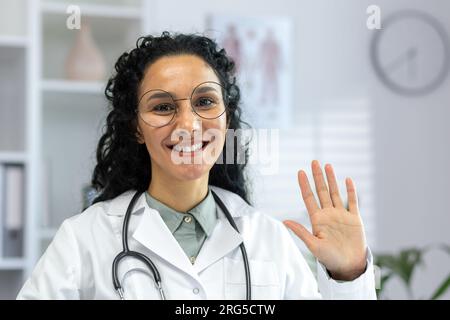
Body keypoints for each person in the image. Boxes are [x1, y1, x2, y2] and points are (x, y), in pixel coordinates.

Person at [17, 32, 376, 299]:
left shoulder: (267, 239)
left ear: (226, 118)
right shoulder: (84, 239)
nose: (188, 125)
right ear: (136, 128)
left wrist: (348, 275)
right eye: (162, 107)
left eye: (204, 101)